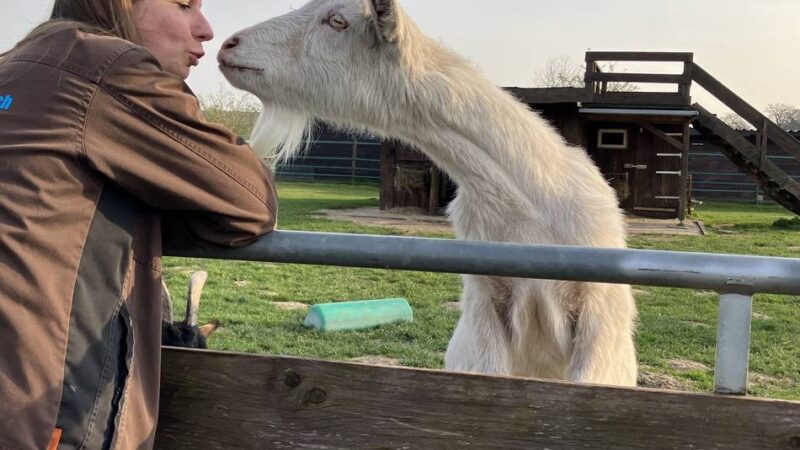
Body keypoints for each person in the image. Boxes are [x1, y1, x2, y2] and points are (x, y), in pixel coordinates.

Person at [0, 0, 277, 448]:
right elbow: (251, 198)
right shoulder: (107, 68)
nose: (204, 29)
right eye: (184, 5)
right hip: (43, 414)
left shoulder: (13, 66)